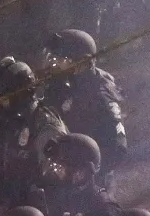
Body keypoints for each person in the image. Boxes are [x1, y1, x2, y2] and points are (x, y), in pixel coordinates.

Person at [0, 57, 67, 206]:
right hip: (9, 214)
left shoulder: (45, 126)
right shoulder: (6, 124)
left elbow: (56, 182)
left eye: (1, 97)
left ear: (20, 96)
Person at [39, 30, 128, 187]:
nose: (55, 65)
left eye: (62, 60)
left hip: (90, 176)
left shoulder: (100, 93)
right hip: (69, 167)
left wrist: (89, 175)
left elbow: (118, 145)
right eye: (54, 59)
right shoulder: (65, 85)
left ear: (81, 63)